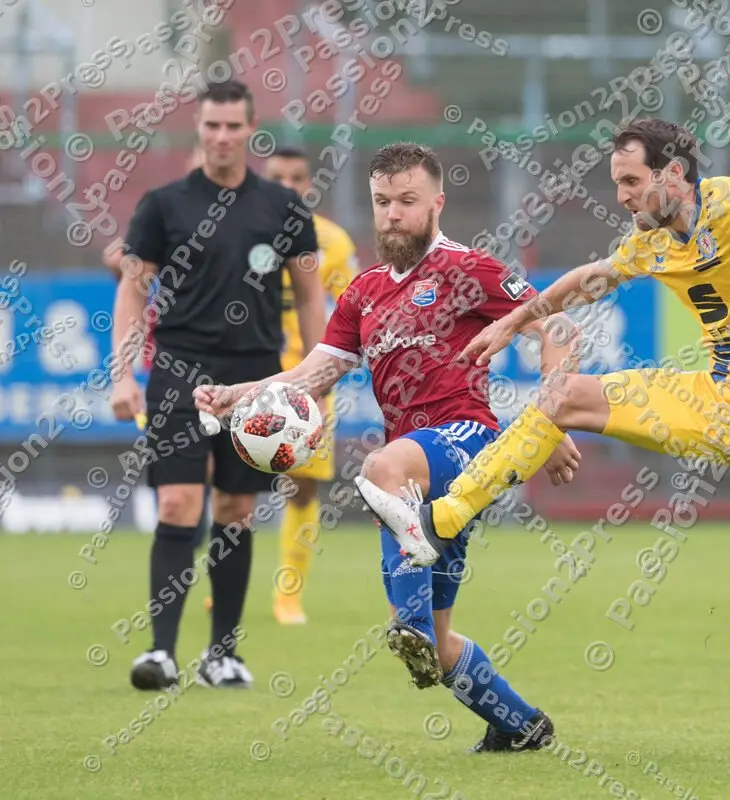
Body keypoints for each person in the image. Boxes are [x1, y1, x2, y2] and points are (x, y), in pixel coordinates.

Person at [357, 118, 730, 770]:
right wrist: (514, 322)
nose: (623, 196)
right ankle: (445, 515)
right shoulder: (651, 240)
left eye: (631, 182)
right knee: (565, 394)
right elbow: (586, 280)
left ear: (674, 175)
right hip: (715, 402)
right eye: (617, 183)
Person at [195, 142, 579, 752]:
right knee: (445, 636)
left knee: (378, 467)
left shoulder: (468, 269)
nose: (393, 214)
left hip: (467, 442)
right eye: (382, 202)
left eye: (407, 201)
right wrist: (237, 396)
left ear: (436, 203)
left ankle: (411, 627)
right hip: (415, 484)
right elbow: (312, 374)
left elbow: (556, 325)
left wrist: (549, 417)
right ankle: (521, 726)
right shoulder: (364, 291)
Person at [109, 80, 323, 690]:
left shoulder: (284, 210)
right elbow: (132, 288)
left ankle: (222, 654)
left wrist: (313, 378)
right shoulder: (162, 204)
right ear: (198, 128)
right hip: (178, 369)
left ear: (250, 129)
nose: (222, 137)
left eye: (233, 126)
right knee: (179, 503)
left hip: (257, 376)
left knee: (235, 509)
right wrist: (122, 373)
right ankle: (160, 653)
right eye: (212, 126)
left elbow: (310, 295)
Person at [197, 145, 360, 626]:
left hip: (308, 382)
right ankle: (225, 588)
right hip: (245, 376)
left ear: (309, 184)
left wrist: (330, 372)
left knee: (304, 488)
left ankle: (288, 594)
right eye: (277, 176)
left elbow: (352, 308)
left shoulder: (332, 242)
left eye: (297, 177)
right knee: (230, 486)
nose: (287, 186)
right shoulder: (237, 229)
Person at [103, 146, 215, 552]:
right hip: (169, 356)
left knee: (214, 458)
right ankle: (179, 516)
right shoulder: (168, 217)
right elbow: (122, 260)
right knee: (173, 449)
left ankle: (200, 522)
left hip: (228, 358)